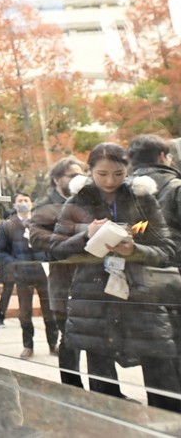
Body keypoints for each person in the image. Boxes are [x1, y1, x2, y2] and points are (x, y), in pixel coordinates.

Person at [51, 142, 181, 412]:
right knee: (102, 386)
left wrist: (135, 249)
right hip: (93, 300)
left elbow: (167, 249)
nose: (110, 181)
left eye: (118, 174)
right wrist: (86, 235)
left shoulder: (142, 198)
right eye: (102, 174)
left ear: (127, 170)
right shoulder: (76, 201)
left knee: (161, 380)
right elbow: (56, 250)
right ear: (90, 171)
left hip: (139, 296)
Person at [128, 134, 181, 394]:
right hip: (174, 280)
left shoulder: (120, 190)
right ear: (163, 156)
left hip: (137, 281)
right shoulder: (175, 187)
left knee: (153, 355)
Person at [29, 156, 86, 386]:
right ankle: (72, 387)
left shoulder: (86, 200)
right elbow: (36, 238)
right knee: (69, 336)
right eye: (72, 175)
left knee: (93, 338)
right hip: (63, 278)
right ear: (56, 179)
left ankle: (107, 390)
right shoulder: (45, 204)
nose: (79, 178)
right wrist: (74, 236)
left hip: (90, 277)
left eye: (82, 173)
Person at [0, 192, 58, 359]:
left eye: (26, 200)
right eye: (20, 201)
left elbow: (52, 244)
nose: (23, 203)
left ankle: (53, 344)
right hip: (22, 274)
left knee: (49, 310)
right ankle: (28, 346)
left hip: (43, 272)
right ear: (14, 205)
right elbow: (0, 251)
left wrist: (48, 259)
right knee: (25, 311)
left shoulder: (41, 223)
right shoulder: (8, 225)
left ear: (32, 203)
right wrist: (14, 263)